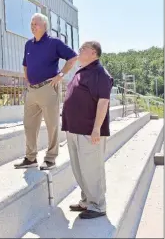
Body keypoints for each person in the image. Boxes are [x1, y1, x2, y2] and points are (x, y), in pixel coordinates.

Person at [14, 13, 78, 170]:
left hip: (48, 88)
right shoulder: (28, 44)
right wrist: (27, 78)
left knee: (52, 125)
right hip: (32, 91)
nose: (32, 26)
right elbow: (25, 64)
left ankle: (50, 158)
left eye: (36, 23)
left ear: (44, 26)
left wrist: (61, 75)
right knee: (29, 125)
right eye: (31, 23)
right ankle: (30, 158)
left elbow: (72, 57)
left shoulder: (54, 43)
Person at [61, 41, 113, 219]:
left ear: (93, 53)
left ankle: (98, 205)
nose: (79, 50)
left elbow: (103, 101)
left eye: (83, 48)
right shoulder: (82, 71)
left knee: (91, 169)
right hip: (74, 129)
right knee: (79, 168)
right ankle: (87, 201)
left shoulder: (100, 73)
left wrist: (97, 128)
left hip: (89, 130)